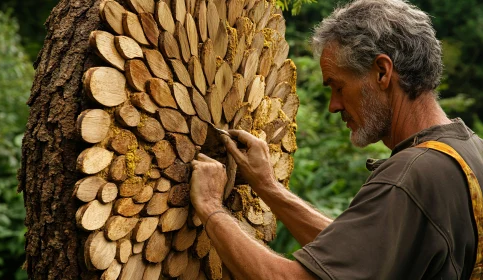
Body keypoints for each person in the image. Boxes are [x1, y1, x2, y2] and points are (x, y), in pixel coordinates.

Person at [190, 0, 483, 279]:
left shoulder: (410, 177)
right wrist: (268, 187)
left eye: (339, 87)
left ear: (382, 72)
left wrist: (210, 206)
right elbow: (358, 256)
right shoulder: (469, 152)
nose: (334, 105)